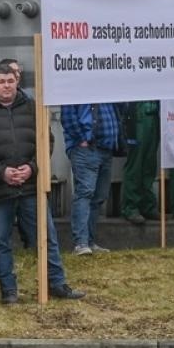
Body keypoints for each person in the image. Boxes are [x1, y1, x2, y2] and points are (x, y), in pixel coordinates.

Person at [0, 63, 85, 300]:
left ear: (16, 81)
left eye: (10, 81)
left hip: (31, 189)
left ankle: (57, 283)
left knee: (46, 236)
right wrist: (1, 172)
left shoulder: (32, 108)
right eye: (1, 81)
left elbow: (46, 141)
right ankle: (8, 290)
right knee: (0, 241)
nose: (6, 86)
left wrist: (32, 167)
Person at [59, 100, 119, 254]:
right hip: (86, 149)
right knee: (85, 194)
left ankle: (89, 242)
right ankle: (81, 243)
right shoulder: (76, 84)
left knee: (98, 197)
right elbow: (68, 117)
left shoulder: (101, 86)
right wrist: (82, 139)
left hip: (105, 148)